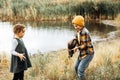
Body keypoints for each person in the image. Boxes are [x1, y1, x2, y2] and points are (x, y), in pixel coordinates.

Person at [71, 15, 94, 80]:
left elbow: (85, 45)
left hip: (88, 53)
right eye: (74, 26)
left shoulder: (85, 32)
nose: (75, 27)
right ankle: (81, 78)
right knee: (76, 67)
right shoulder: (78, 31)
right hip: (82, 53)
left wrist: (77, 48)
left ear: (81, 25)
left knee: (80, 69)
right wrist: (74, 46)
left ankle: (80, 77)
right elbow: (78, 42)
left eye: (77, 25)